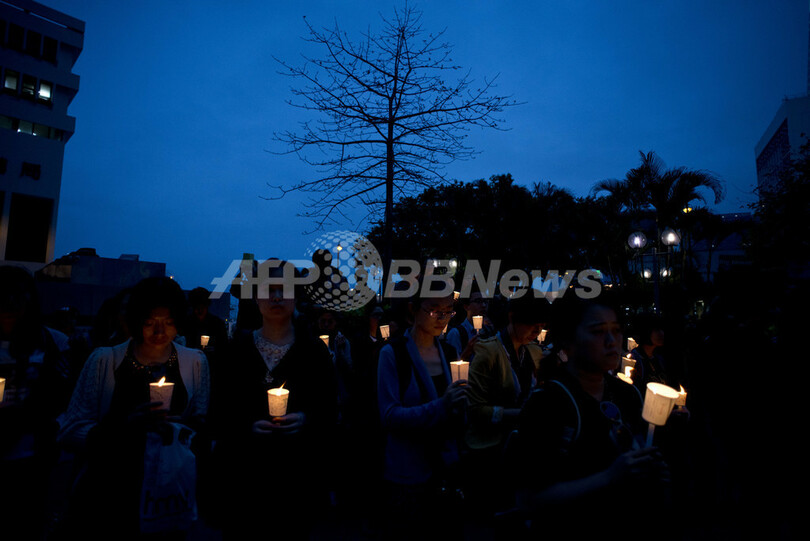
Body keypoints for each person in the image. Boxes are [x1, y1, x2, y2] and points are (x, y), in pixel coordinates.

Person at [55, 275, 210, 539]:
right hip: (109, 495)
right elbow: (70, 430)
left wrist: (180, 431)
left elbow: (201, 424)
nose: (160, 332)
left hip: (169, 495)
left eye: (169, 323)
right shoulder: (105, 360)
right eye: (150, 323)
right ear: (137, 320)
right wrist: (124, 426)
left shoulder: (194, 363)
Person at [513, 293, 670, 540]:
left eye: (616, 330)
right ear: (568, 340)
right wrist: (609, 477)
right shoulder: (548, 403)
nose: (612, 341)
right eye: (598, 332)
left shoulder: (626, 393)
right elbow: (529, 499)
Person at [209, 259, 338, 540]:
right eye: (270, 289)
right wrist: (246, 427)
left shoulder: (314, 351)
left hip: (297, 481)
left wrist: (306, 419)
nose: (277, 297)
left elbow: (330, 409)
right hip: (245, 481)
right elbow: (218, 411)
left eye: (285, 289)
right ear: (257, 296)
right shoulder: (237, 351)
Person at [376, 289, 469, 540]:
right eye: (434, 309)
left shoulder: (449, 353)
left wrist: (464, 403)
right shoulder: (393, 354)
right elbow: (390, 416)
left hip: (446, 471)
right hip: (408, 477)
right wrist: (442, 405)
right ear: (413, 308)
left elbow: (456, 413)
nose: (442, 317)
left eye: (448, 310)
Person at [0, 265, 76, 540]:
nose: (10, 304)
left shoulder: (52, 342)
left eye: (19, 295)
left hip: (32, 459)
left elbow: (65, 398)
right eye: (3, 295)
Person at [462, 293, 547, 517]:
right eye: (532, 325)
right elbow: (475, 410)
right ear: (512, 318)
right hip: (489, 452)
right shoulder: (487, 351)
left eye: (541, 326)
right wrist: (521, 414)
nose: (537, 332)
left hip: (522, 453)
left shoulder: (535, 353)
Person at [445, 287, 490, 363]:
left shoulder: (488, 331)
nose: (483, 305)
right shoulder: (456, 334)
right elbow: (451, 367)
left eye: (485, 301)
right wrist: (467, 351)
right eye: (478, 301)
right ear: (466, 306)